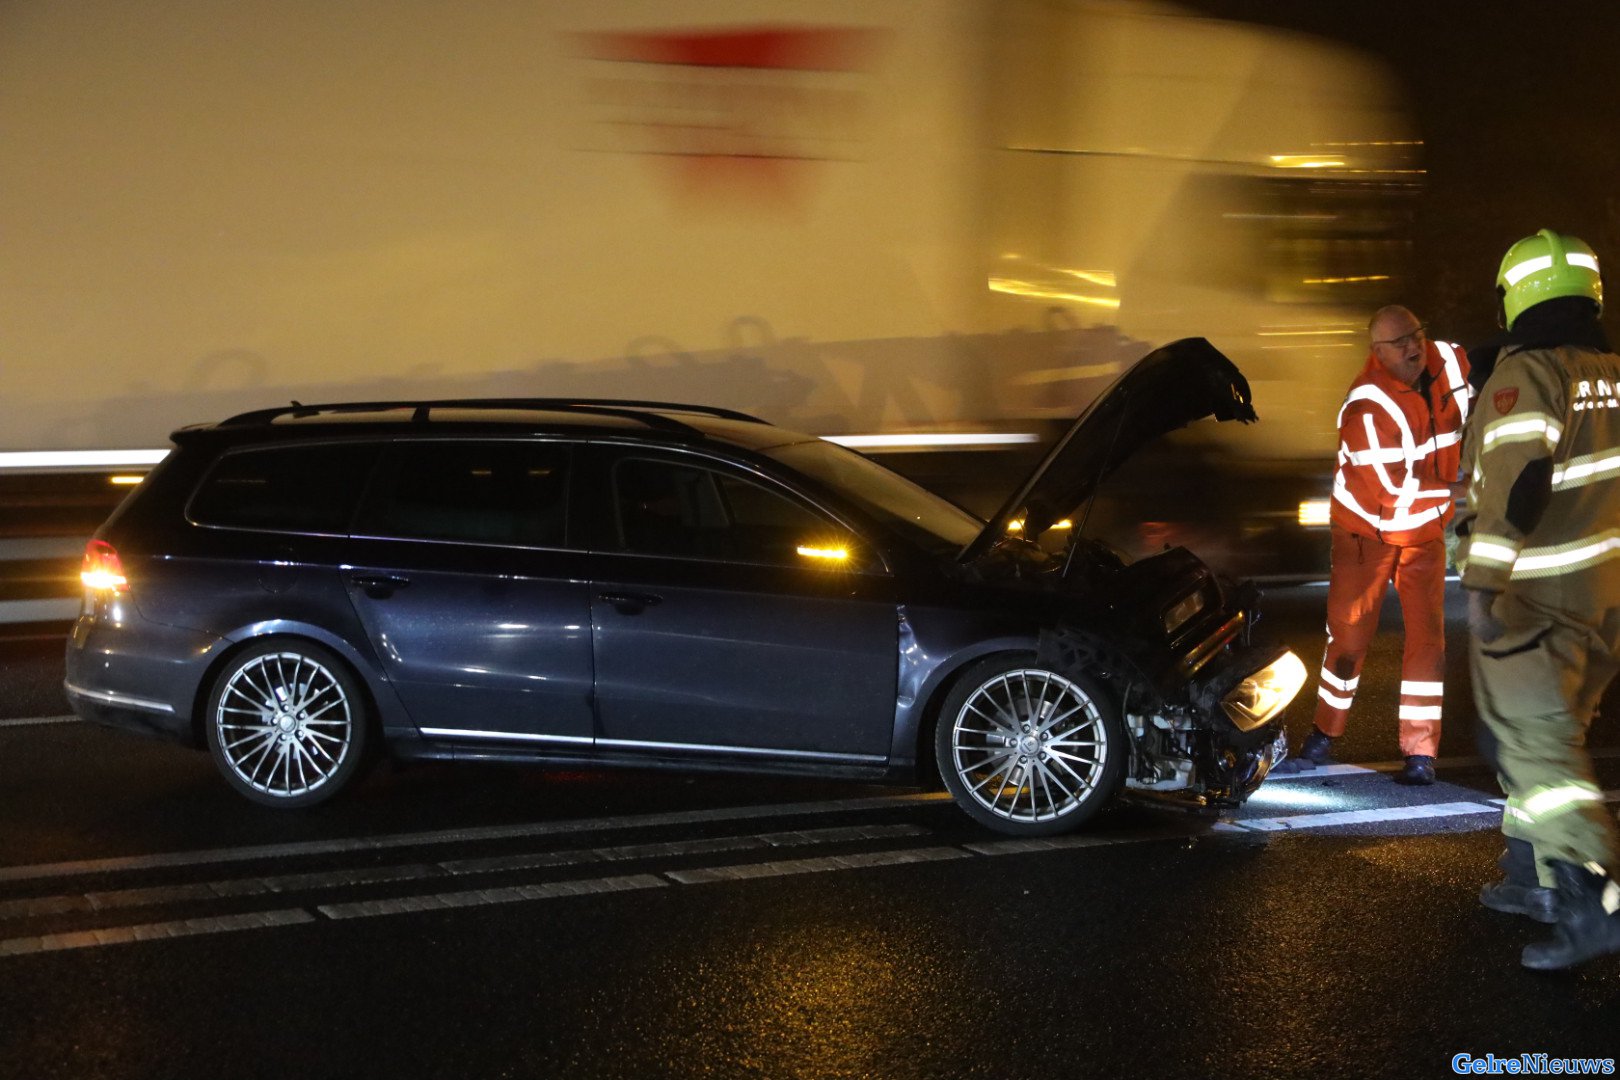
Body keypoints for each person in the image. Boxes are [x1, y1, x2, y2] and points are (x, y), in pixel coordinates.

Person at [1460, 228, 1620, 970]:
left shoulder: (1525, 378)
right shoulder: (1612, 371)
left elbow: (1518, 487)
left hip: (1538, 600)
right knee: (1548, 740)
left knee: (1537, 747)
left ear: (1515, 293)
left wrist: (1485, 586)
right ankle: (1533, 879)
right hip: (1606, 600)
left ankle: (1594, 904)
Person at [1284, 305, 1471, 784]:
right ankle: (1325, 734)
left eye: (1417, 333)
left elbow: (1482, 384)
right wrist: (1458, 489)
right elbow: (1390, 491)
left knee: (1428, 642)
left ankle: (1421, 754)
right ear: (1377, 353)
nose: (1414, 346)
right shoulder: (1367, 407)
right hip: (1366, 533)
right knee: (1347, 641)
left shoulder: (1449, 361)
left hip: (1423, 531)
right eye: (1400, 341)